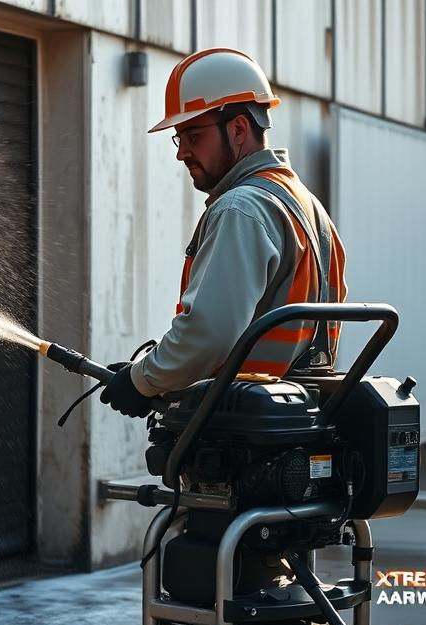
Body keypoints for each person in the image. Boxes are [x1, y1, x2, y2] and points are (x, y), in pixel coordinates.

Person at [101, 47, 347, 418]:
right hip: (296, 418)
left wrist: (142, 380)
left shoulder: (241, 209)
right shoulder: (306, 205)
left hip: (244, 428)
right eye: (178, 138)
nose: (181, 153)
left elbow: (208, 334)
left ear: (238, 129)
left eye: (193, 135)